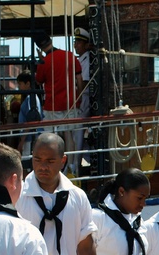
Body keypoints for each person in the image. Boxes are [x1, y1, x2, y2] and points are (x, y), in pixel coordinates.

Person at [34, 33, 81, 174]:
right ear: (50, 40)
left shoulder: (45, 62)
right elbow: (79, 79)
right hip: (70, 102)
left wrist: (41, 61)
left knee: (51, 138)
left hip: (52, 105)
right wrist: (79, 98)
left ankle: (54, 169)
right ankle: (71, 167)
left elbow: (38, 80)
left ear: (39, 47)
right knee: (69, 135)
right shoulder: (69, 56)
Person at [71, 28, 92, 172]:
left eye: (78, 42)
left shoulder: (87, 59)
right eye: (75, 42)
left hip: (83, 98)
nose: (75, 45)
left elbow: (83, 83)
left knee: (77, 133)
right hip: (79, 98)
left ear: (85, 44)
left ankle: (76, 167)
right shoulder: (80, 60)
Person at [16, 70, 43, 157]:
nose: (19, 87)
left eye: (20, 84)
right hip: (29, 137)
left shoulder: (30, 99)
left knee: (26, 159)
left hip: (29, 138)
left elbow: (30, 121)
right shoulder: (32, 97)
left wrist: (22, 141)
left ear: (27, 84)